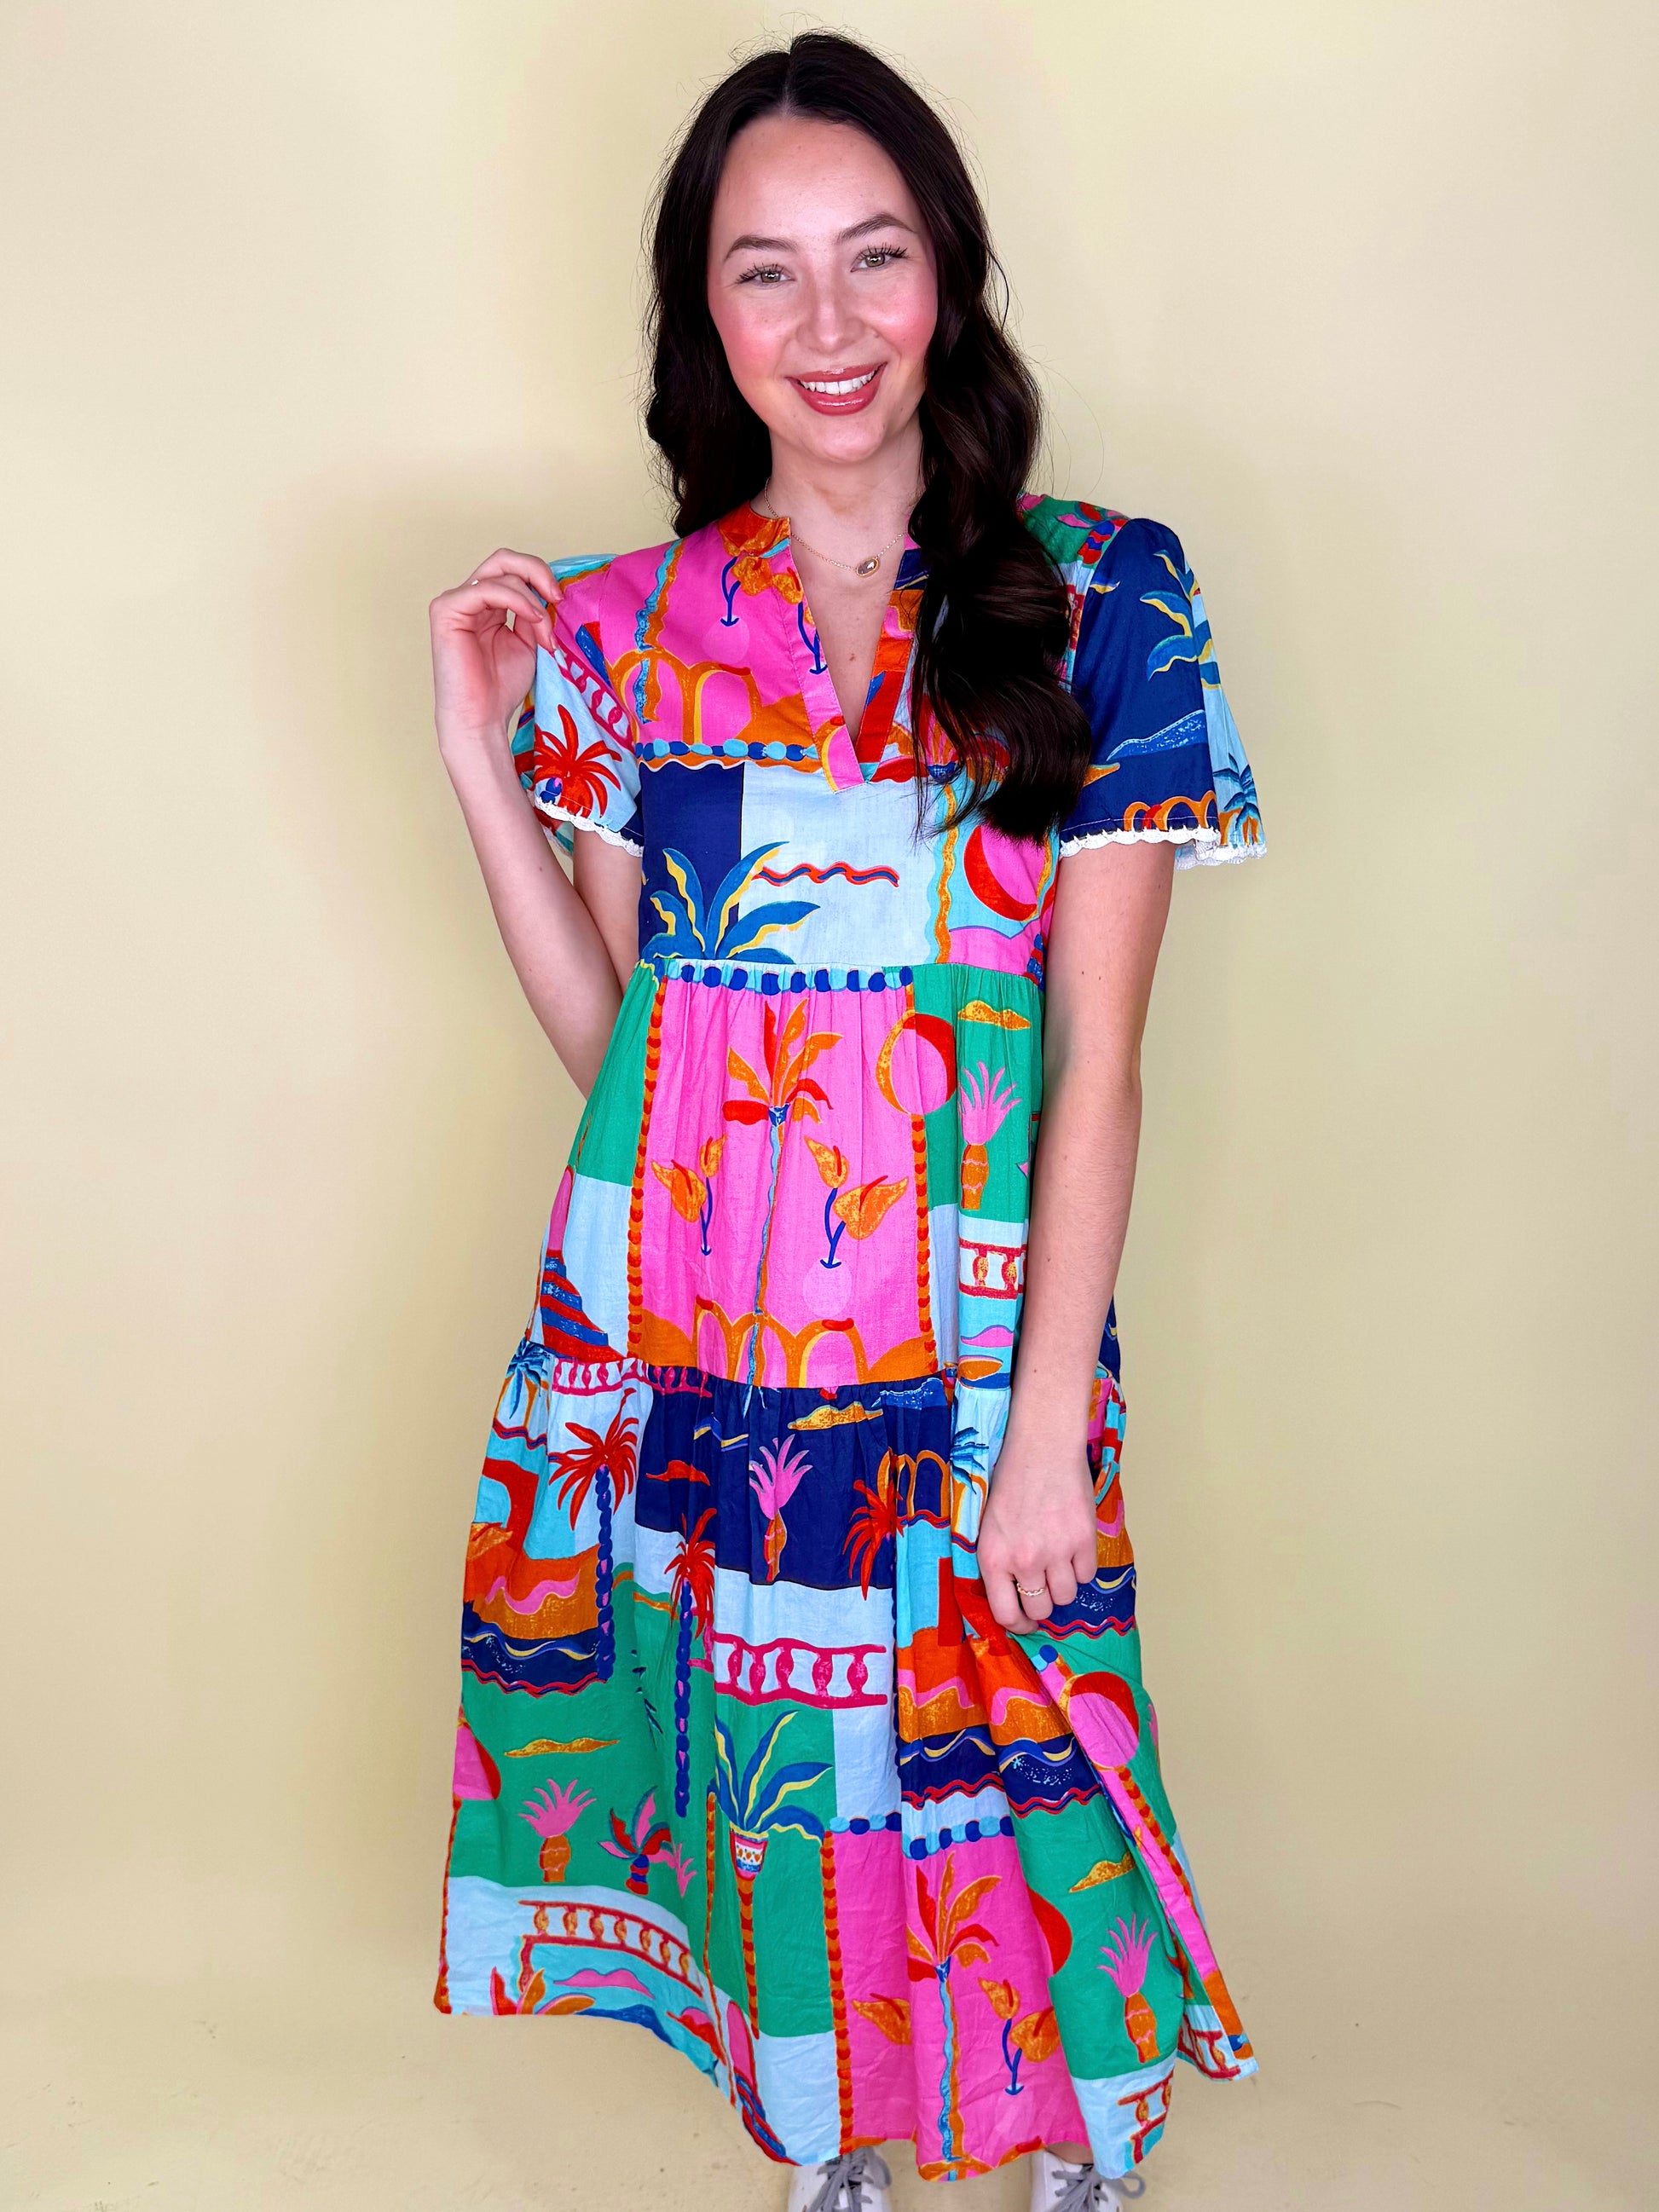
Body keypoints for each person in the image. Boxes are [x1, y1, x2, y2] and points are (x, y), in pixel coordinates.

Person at [428, 32, 1263, 2212]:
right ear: (701, 313)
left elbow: (1097, 1057)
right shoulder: (623, 632)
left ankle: (1082, 2127)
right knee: (778, 1775)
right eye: (765, 269)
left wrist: (1049, 1419)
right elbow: (625, 1048)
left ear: (946, 276)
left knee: (1019, 1747)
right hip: (697, 1329)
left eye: (873, 256)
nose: (827, 322)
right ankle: (837, 2132)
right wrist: (481, 762)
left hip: (980, 1330)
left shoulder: (1101, 593)